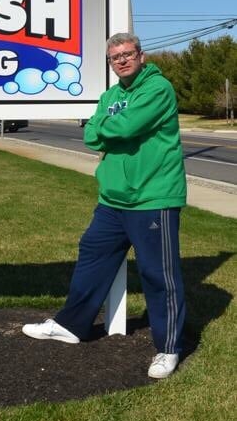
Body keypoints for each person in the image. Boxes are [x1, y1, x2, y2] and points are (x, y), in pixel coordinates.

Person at [22, 33, 187, 380]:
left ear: (141, 56)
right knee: (92, 255)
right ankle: (71, 325)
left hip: (151, 198)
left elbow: (125, 127)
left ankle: (168, 348)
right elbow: (91, 134)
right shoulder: (111, 95)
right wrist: (106, 127)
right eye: (115, 57)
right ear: (110, 63)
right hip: (112, 199)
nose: (122, 61)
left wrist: (106, 127)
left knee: (159, 275)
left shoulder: (157, 89)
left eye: (128, 54)